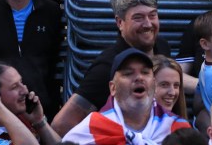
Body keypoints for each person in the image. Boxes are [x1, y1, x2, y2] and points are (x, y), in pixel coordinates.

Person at [53, 0, 172, 135]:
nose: (148, 24)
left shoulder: (162, 46)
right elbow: (62, 125)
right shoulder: (107, 66)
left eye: (152, 15)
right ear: (120, 22)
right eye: (138, 18)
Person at [62, 48, 192, 144]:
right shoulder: (92, 128)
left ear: (153, 84)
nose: (139, 77)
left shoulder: (179, 129)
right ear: (113, 88)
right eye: (128, 73)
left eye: (145, 72)